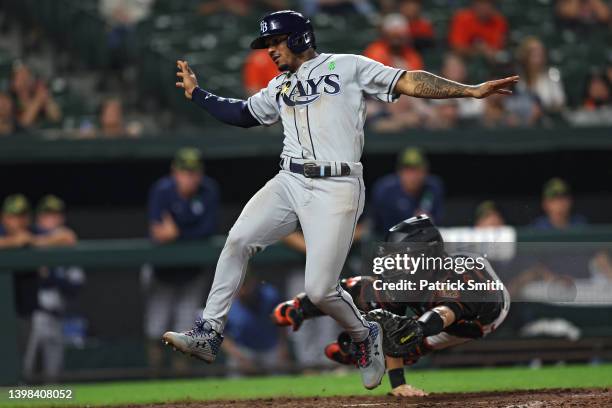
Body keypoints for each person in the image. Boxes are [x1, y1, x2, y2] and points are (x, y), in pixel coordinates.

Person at [163, 9, 518, 390]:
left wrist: (470, 91)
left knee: (320, 289)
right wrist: (197, 94)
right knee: (237, 241)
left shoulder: (347, 66)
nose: (271, 50)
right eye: (267, 44)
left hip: (337, 185)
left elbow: (409, 80)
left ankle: (366, 337)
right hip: (289, 179)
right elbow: (242, 113)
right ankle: (209, 332)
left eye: (276, 41)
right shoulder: (278, 86)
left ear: (300, 37)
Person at [272, 215, 510, 397]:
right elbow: (388, 324)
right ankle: (302, 305)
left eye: (402, 257)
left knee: (414, 343)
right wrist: (399, 384)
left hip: (481, 319)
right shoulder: (411, 280)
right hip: (437, 312)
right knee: (370, 292)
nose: (394, 263)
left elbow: (445, 315)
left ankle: (362, 351)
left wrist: (414, 332)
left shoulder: (457, 279)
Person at [145, 148, 220, 373]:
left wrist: (177, 233)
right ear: (174, 172)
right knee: (154, 330)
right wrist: (186, 232)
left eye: (194, 172)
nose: (190, 177)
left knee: (185, 334)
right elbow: (158, 232)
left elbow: (208, 230)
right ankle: (153, 379)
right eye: (185, 172)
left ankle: (181, 387)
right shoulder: (162, 190)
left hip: (191, 273)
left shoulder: (208, 190)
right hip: (162, 272)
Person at [22, 195, 83, 383]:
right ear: (38, 218)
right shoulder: (28, 238)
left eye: (56, 215)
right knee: (23, 371)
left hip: (57, 315)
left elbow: (76, 284)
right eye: (47, 215)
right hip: (32, 316)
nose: (52, 220)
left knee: (54, 376)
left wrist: (50, 275)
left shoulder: (67, 246)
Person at [222, 272, 289, 376]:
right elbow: (219, 334)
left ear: (252, 282)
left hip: (271, 349)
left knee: (280, 377)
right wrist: (239, 357)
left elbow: (282, 322)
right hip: (243, 350)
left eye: (244, 285)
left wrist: (282, 347)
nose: (242, 290)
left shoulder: (270, 295)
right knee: (234, 373)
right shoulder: (225, 303)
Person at [370, 148, 444, 236]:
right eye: (408, 170)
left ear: (425, 171)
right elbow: (379, 225)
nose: (413, 176)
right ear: (399, 171)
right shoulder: (385, 190)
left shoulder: (433, 187)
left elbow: (438, 220)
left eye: (417, 170)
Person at [515, 37, 566, 113]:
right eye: (534, 55)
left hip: (548, 116)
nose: (538, 59)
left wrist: (542, 108)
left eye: (540, 54)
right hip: (524, 118)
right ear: (526, 57)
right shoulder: (519, 77)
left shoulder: (552, 73)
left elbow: (560, 101)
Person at [10, 63, 62, 129]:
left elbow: (56, 117)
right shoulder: (11, 101)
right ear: (13, 83)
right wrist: (38, 100)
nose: (25, 80)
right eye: (20, 77)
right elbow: (24, 123)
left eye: (27, 75)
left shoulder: (38, 96)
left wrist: (46, 98)